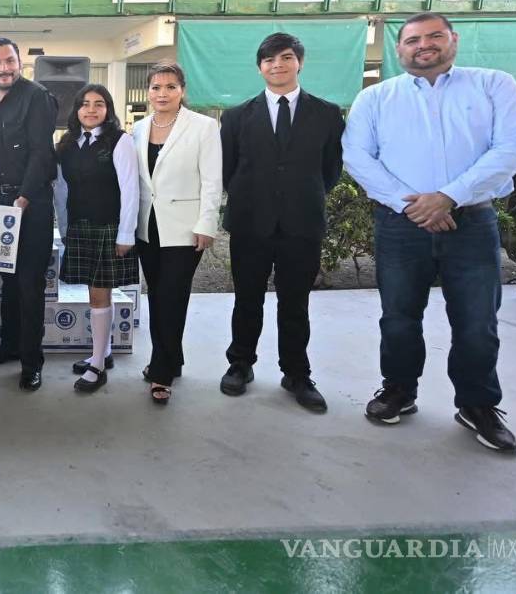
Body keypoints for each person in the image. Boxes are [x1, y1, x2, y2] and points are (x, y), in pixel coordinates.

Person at [343, 12, 516, 452]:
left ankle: (477, 404)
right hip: (400, 223)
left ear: (453, 40)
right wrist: (411, 204)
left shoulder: (493, 85)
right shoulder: (376, 98)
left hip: (471, 221)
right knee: (398, 316)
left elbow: (512, 146)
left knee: (476, 321)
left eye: (433, 37)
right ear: (399, 49)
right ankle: (399, 390)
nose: (423, 45)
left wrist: (447, 196)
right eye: (412, 40)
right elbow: (357, 156)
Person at [218, 33, 344, 413]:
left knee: (295, 303)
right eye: (269, 60)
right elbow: (228, 170)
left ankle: (296, 373)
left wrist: (296, 195)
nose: (278, 65)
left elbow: (330, 170)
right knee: (247, 300)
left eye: (286, 58)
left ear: (299, 63)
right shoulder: (238, 116)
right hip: (250, 223)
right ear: (260, 67)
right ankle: (240, 364)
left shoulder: (326, 113)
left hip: (301, 224)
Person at [133, 63, 222, 405]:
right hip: (148, 226)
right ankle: (172, 357)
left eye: (170, 86)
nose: (162, 93)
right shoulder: (139, 129)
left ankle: (161, 372)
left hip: (186, 228)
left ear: (182, 90)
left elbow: (213, 180)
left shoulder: (203, 127)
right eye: (156, 87)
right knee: (156, 295)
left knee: (173, 296)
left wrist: (206, 224)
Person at [0, 37, 58, 392]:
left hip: (31, 206)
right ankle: (8, 347)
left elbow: (42, 153)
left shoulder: (37, 97)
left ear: (19, 63)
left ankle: (31, 362)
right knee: (6, 282)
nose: (3, 68)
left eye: (9, 61)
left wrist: (23, 197)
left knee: (29, 284)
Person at [53, 84, 139, 393]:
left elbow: (131, 189)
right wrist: (64, 229)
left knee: (99, 295)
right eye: (84, 104)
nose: (91, 109)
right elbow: (61, 191)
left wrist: (126, 233)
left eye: (98, 104)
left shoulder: (120, 141)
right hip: (78, 226)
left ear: (108, 109)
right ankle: (102, 352)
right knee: (95, 294)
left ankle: (99, 366)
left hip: (109, 228)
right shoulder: (65, 144)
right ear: (75, 110)